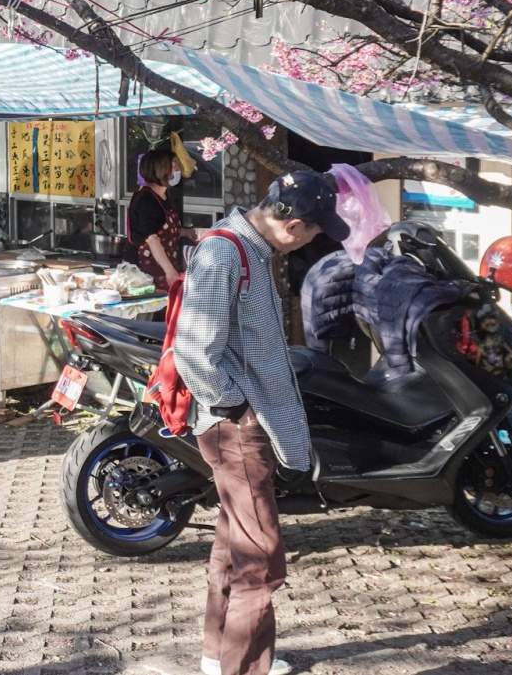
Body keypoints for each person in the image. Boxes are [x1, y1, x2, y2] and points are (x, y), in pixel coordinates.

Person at [172, 171, 348, 675]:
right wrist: (237, 409)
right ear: (293, 225)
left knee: (234, 545)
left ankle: (217, 656)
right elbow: (194, 352)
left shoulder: (248, 249)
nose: (311, 241)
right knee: (262, 560)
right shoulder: (226, 252)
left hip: (241, 425)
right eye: (315, 232)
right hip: (235, 430)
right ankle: (245, 667)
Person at [124, 148, 199, 290]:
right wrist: (170, 272)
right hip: (142, 272)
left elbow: (164, 230)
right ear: (162, 169)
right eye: (174, 165)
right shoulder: (146, 199)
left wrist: (185, 232)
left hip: (163, 269)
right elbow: (152, 239)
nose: (177, 169)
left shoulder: (164, 196)